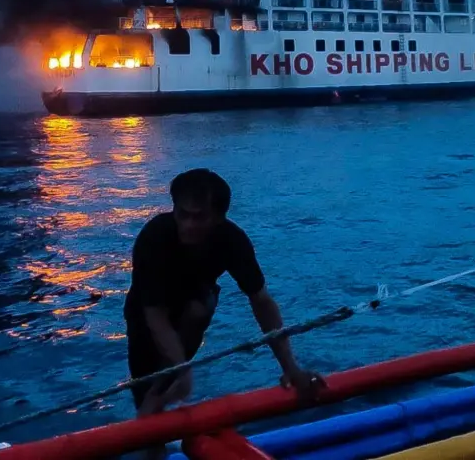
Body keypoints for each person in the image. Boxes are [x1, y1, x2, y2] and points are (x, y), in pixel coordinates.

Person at [123, 169, 324, 458]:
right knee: (149, 404)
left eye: (199, 217)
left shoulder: (232, 240)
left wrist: (290, 368)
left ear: (219, 218)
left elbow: (262, 302)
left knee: (199, 307)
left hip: (194, 306)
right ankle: (151, 436)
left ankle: (162, 398)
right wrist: (181, 369)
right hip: (146, 315)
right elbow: (154, 315)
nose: (188, 225)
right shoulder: (155, 237)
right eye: (183, 214)